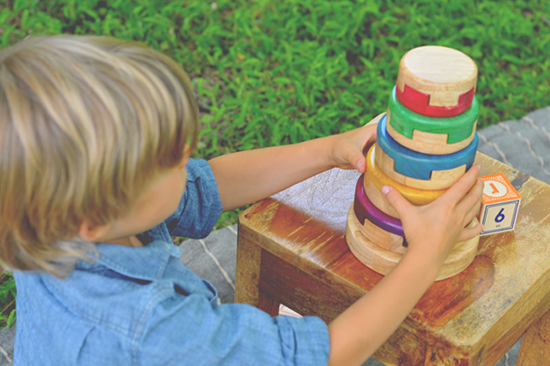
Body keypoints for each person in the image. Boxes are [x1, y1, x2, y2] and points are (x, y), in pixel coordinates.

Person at [0, 35, 483, 366]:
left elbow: (207, 184)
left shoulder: (44, 220)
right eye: (168, 160)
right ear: (91, 216)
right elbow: (330, 353)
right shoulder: (157, 330)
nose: (188, 156)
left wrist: (328, 151)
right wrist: (424, 255)